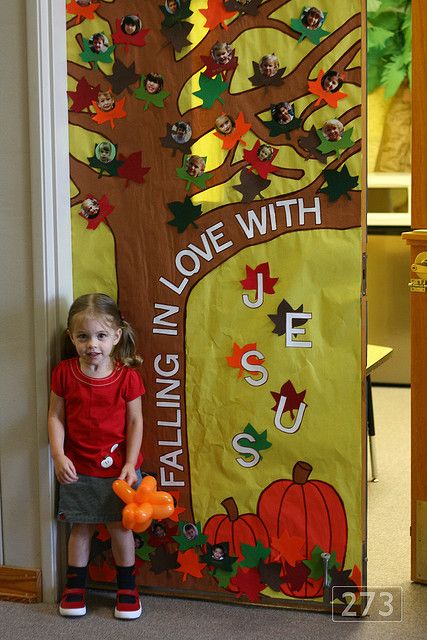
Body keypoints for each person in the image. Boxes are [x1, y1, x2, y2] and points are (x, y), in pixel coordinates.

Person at [48, 293, 145, 619]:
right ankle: (75, 587)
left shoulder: (127, 377)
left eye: (101, 336)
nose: (93, 344)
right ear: (71, 337)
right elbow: (55, 416)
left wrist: (131, 463)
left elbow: (135, 421)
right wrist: (59, 456)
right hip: (78, 468)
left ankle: (127, 587)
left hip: (119, 472)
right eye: (83, 336)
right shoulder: (64, 373)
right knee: (81, 528)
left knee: (120, 529)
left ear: (116, 336)